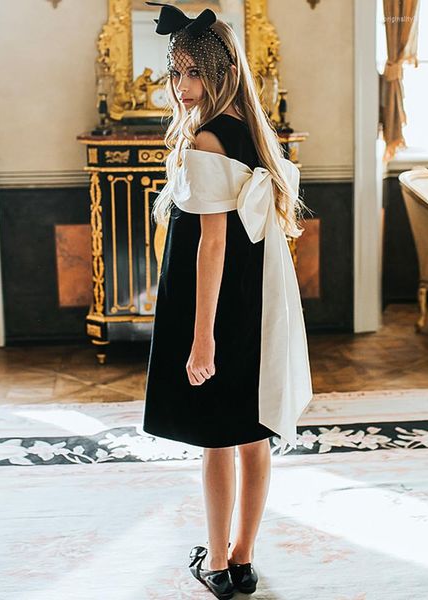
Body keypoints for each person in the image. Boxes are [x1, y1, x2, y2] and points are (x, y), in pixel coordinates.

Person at [142, 3, 313, 598]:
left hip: (218, 300)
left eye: (194, 73)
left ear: (221, 73)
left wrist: (201, 334)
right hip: (255, 292)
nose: (183, 87)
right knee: (251, 429)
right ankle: (241, 558)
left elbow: (210, 246)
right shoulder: (248, 128)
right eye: (177, 72)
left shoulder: (210, 136)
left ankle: (216, 564)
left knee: (217, 436)